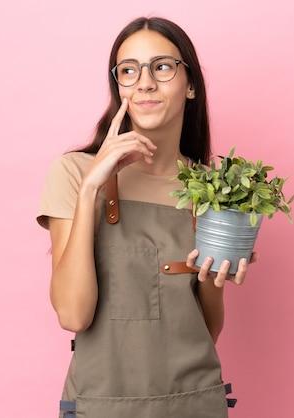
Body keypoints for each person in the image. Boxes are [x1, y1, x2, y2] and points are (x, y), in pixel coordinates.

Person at [36, 16, 255, 418]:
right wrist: (91, 190)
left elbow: (205, 332)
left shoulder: (213, 190)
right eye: (129, 70)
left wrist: (215, 273)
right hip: (101, 407)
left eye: (162, 66)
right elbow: (72, 314)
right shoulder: (73, 172)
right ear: (118, 85)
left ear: (190, 84)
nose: (145, 83)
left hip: (196, 404)